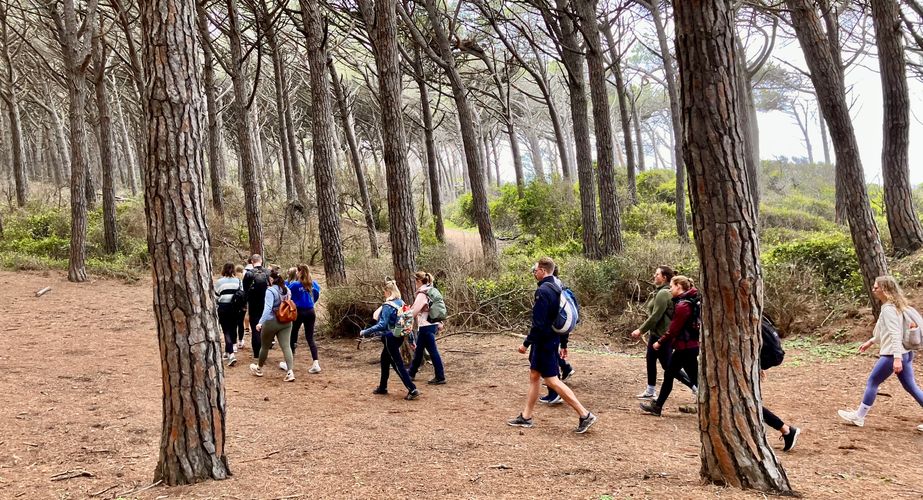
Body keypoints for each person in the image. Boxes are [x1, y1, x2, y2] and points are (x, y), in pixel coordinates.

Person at [508, 257, 597, 434]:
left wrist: (526, 344)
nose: (534, 273)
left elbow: (539, 323)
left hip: (544, 342)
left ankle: (585, 414)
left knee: (551, 380)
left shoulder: (543, 291)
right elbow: (561, 316)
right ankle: (526, 417)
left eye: (535, 270)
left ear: (543, 270)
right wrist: (564, 343)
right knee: (534, 376)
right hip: (552, 339)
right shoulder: (558, 286)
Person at [838, 276, 923, 430]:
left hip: (893, 355)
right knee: (911, 387)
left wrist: (896, 358)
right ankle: (859, 416)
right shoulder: (896, 306)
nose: (873, 289)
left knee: (872, 382)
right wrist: (871, 341)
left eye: (876, 287)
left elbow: (895, 334)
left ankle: (859, 417)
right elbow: (884, 331)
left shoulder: (889, 309)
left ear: (885, 289)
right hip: (906, 353)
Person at [630, 266, 695, 400]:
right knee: (650, 359)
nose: (654, 276)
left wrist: (640, 330)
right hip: (655, 333)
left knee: (668, 366)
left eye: (657, 274)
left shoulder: (664, 293)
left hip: (663, 335)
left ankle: (695, 387)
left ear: (664, 277)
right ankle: (650, 390)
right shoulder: (660, 291)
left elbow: (656, 316)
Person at [640, 275, 699, 417]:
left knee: (683, 376)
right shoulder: (687, 302)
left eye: (671, 286)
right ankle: (657, 406)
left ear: (679, 286)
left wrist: (660, 342)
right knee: (677, 375)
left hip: (685, 348)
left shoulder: (683, 306)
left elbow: (674, 329)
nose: (670, 289)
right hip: (688, 347)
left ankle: (658, 406)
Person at [360, 279, 420, 400]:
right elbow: (407, 323)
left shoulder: (387, 306)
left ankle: (412, 389)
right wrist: (411, 340)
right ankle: (383, 387)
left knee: (397, 364)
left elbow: (382, 325)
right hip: (399, 336)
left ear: (388, 291)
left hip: (390, 337)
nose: (384, 294)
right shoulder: (401, 303)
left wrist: (365, 331)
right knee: (384, 359)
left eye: (384, 291)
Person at [249, 269, 296, 382]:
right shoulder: (287, 290)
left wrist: (260, 322)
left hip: (271, 321)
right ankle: (290, 371)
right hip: (286, 321)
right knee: (286, 346)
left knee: (265, 346)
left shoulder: (270, 291)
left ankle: (259, 368)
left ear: (271, 279)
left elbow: (268, 308)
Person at [538, 266, 575, 405]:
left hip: (549, 334)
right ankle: (564, 369)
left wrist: (527, 342)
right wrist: (564, 343)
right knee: (548, 361)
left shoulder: (549, 290)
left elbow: (543, 318)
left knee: (548, 362)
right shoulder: (562, 289)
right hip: (558, 332)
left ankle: (555, 393)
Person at [408, 271, 446, 385]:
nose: (415, 284)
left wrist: (404, 316)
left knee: (432, 351)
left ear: (419, 281)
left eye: (415, 281)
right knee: (419, 351)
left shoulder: (422, 294)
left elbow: (414, 311)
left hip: (425, 326)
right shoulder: (431, 290)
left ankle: (440, 376)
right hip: (431, 324)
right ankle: (411, 373)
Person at [283, 265, 322, 374]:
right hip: (310, 311)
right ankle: (316, 363)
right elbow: (316, 294)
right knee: (310, 338)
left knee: (293, 335)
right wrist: (311, 302)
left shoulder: (295, 284)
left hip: (298, 312)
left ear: (299, 272)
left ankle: (288, 363)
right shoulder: (313, 283)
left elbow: (286, 294)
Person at [215, 263, 243, 366]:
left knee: (226, 331)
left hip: (223, 308)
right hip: (235, 308)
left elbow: (216, 296)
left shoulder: (219, 282)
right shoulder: (238, 281)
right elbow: (242, 294)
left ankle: (231, 354)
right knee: (232, 329)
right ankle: (227, 351)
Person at [243, 254, 269, 356]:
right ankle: (265, 351)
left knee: (255, 328)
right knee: (265, 327)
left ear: (252, 262)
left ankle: (257, 353)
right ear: (261, 261)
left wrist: (245, 303)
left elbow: (245, 290)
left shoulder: (249, 274)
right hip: (267, 303)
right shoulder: (268, 272)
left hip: (253, 304)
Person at [235, 264, 247, 351]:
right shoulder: (244, 280)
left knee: (234, 323)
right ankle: (240, 340)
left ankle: (234, 342)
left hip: (235, 303)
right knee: (240, 323)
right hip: (242, 304)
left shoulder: (235, 280)